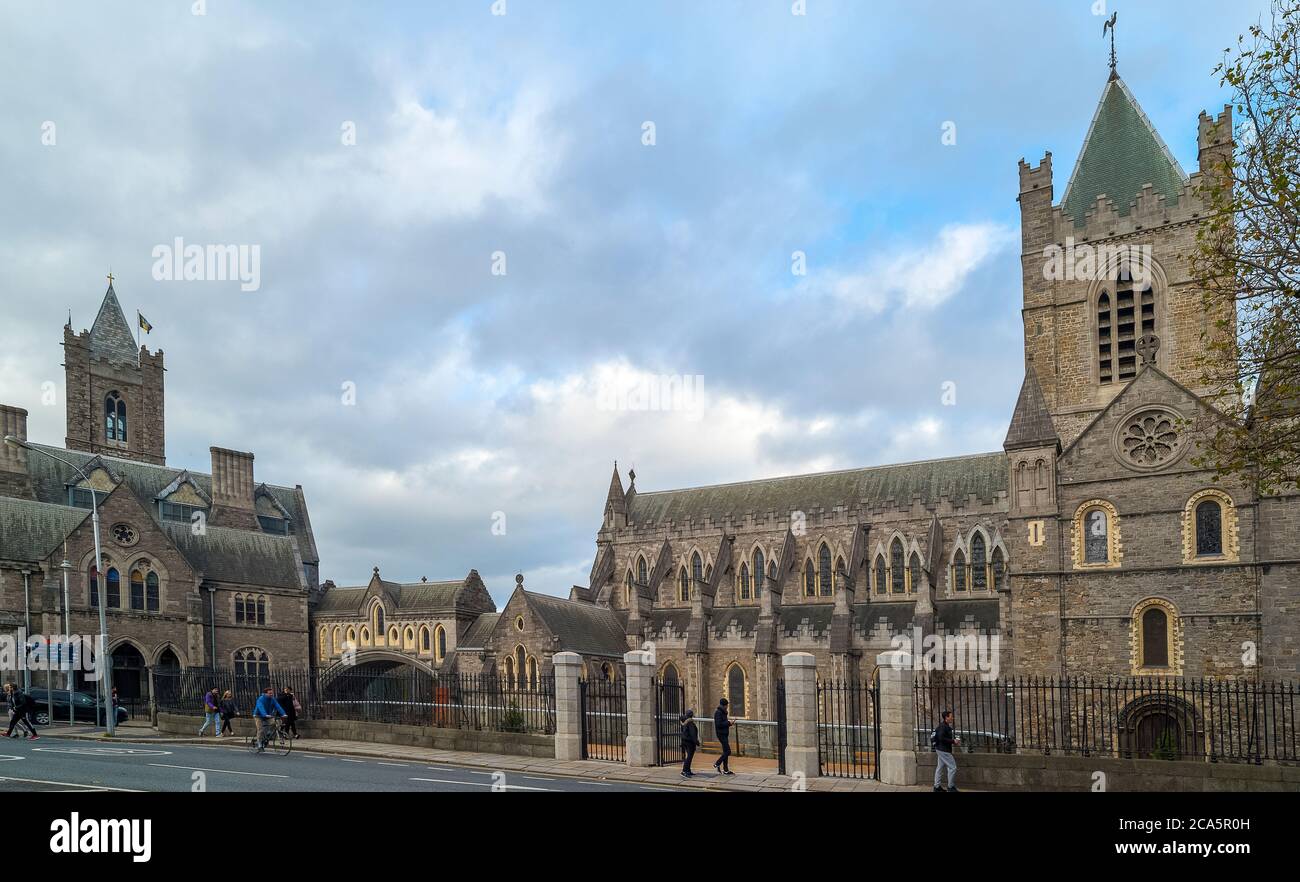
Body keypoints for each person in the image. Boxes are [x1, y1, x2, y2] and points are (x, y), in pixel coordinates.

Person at [932, 709, 961, 792]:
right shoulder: (943, 726)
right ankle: (950, 787)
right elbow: (941, 738)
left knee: (939, 767)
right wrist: (953, 741)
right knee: (953, 767)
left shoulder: (944, 726)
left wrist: (953, 741)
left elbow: (942, 737)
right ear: (946, 717)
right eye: (951, 716)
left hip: (940, 749)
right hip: (943, 750)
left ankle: (937, 787)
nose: (952, 718)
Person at [252, 687, 286, 752]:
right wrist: (265, 714)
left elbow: (278, 706)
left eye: (272, 693)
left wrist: (283, 714)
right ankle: (259, 744)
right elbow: (260, 707)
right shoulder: (260, 699)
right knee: (260, 729)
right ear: (265, 694)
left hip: (268, 715)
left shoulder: (272, 699)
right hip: (258, 715)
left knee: (275, 723)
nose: (271, 694)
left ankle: (268, 734)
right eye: (270, 693)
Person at [712, 697, 734, 775]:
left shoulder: (723, 712)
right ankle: (717, 763)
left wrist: (729, 723)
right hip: (721, 734)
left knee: (725, 751)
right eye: (727, 705)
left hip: (724, 733)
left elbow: (723, 723)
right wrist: (728, 723)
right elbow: (718, 724)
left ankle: (726, 770)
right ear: (724, 705)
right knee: (728, 751)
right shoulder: (718, 712)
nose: (727, 706)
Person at [679, 709, 699, 779]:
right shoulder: (690, 723)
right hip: (690, 742)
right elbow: (692, 734)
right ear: (691, 715)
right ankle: (684, 771)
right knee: (689, 757)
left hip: (685, 741)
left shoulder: (684, 722)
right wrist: (696, 742)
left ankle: (688, 770)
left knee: (689, 757)